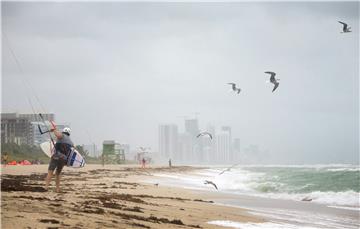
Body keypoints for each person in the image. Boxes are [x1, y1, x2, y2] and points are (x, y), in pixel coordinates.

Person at [45, 127, 74, 192]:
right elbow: (71, 152)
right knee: (58, 173)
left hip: (56, 157)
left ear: (63, 132)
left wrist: (54, 130)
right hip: (64, 159)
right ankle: (57, 189)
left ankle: (46, 187)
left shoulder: (62, 135)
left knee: (50, 172)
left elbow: (58, 135)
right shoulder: (71, 142)